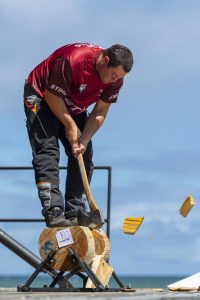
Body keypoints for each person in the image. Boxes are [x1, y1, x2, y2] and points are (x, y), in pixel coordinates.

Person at [23, 43, 133, 227]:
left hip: (72, 103)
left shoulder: (116, 80)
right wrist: (70, 125)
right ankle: (54, 211)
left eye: (119, 78)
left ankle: (75, 211)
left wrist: (85, 138)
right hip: (42, 95)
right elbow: (52, 97)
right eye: (113, 75)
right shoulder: (74, 60)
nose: (114, 80)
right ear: (105, 61)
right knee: (48, 151)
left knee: (84, 153)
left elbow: (100, 111)